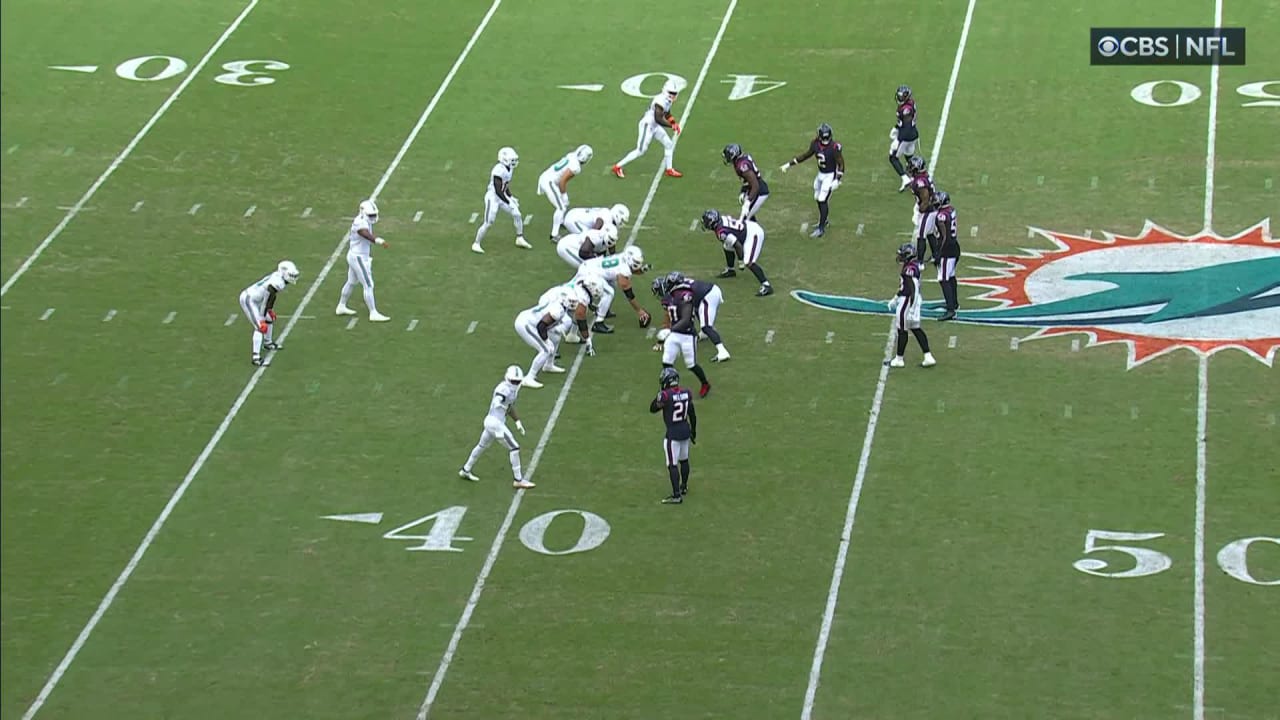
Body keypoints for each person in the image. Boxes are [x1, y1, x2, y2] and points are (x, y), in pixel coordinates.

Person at [459, 365, 535, 489]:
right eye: (514, 381)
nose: (515, 383)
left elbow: (509, 406)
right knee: (514, 447)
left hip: (491, 421)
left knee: (481, 446)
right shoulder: (503, 389)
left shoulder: (512, 389)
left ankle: (465, 469)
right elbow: (498, 400)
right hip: (495, 423)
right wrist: (499, 403)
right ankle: (518, 480)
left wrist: (517, 422)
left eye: (517, 381)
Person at [336, 199, 391, 321]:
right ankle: (373, 313)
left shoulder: (364, 220)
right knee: (369, 284)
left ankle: (341, 305)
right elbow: (364, 233)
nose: (373, 217)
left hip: (356, 255)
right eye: (371, 215)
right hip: (358, 257)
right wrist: (378, 240)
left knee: (351, 282)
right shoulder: (360, 223)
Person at [649, 367, 696, 504]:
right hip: (685, 430)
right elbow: (692, 414)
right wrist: (693, 431)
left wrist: (659, 394)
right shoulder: (687, 392)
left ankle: (676, 495)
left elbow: (652, 409)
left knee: (672, 464)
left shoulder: (665, 395)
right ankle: (684, 486)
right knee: (684, 460)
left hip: (673, 434)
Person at [239, 260, 299, 366]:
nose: (292, 277)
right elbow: (268, 298)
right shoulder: (277, 283)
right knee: (260, 327)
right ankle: (256, 357)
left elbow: (271, 297)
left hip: (257, 300)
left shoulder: (278, 278)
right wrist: (263, 316)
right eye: (290, 274)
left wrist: (269, 310)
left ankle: (268, 343)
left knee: (270, 319)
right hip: (249, 300)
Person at [889, 243, 937, 368]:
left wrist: (911, 309)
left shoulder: (909, 269)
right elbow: (905, 286)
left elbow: (913, 289)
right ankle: (928, 356)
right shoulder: (911, 266)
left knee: (902, 329)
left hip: (908, 301)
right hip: (909, 299)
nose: (900, 257)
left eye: (902, 255)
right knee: (915, 328)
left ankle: (899, 359)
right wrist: (895, 297)